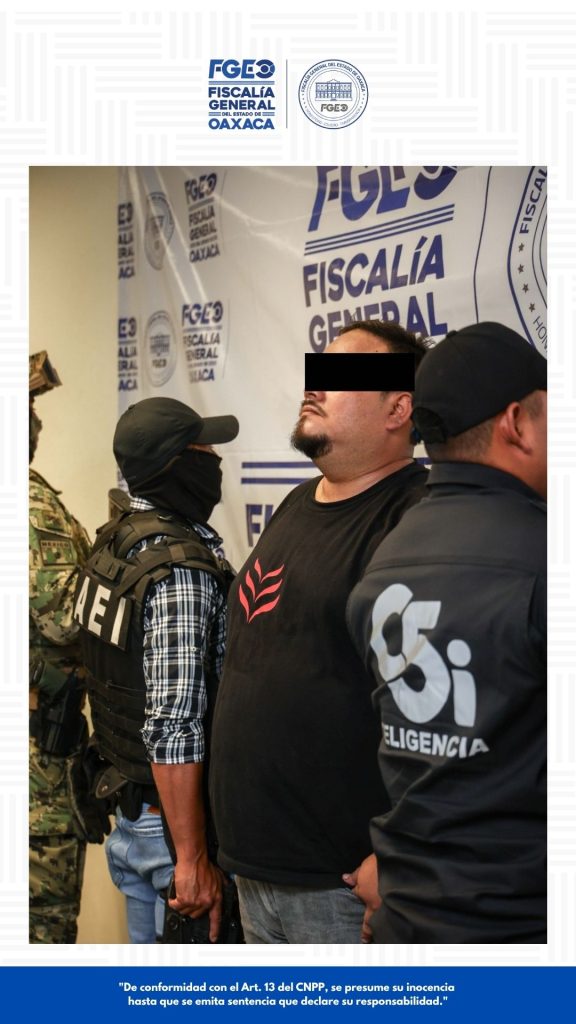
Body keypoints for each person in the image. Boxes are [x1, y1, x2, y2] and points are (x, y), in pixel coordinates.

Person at [209, 320, 429, 943]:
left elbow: (444, 709)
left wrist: (402, 849)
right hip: (255, 872)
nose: (314, 388)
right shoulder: (297, 503)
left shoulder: (415, 518)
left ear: (398, 409)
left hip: (341, 887)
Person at [346, 321, 547, 943]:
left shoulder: (386, 556)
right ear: (516, 423)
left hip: (409, 920)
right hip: (518, 934)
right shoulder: (544, 557)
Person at [73, 397, 239, 943]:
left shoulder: (115, 540)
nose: (215, 458)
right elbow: (173, 723)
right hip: (171, 832)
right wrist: (192, 859)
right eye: (204, 448)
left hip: (133, 811)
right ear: (178, 464)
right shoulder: (177, 569)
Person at [29, 351, 104, 943]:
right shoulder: (29, 504)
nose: (35, 421)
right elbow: (64, 621)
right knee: (42, 936)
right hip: (37, 773)